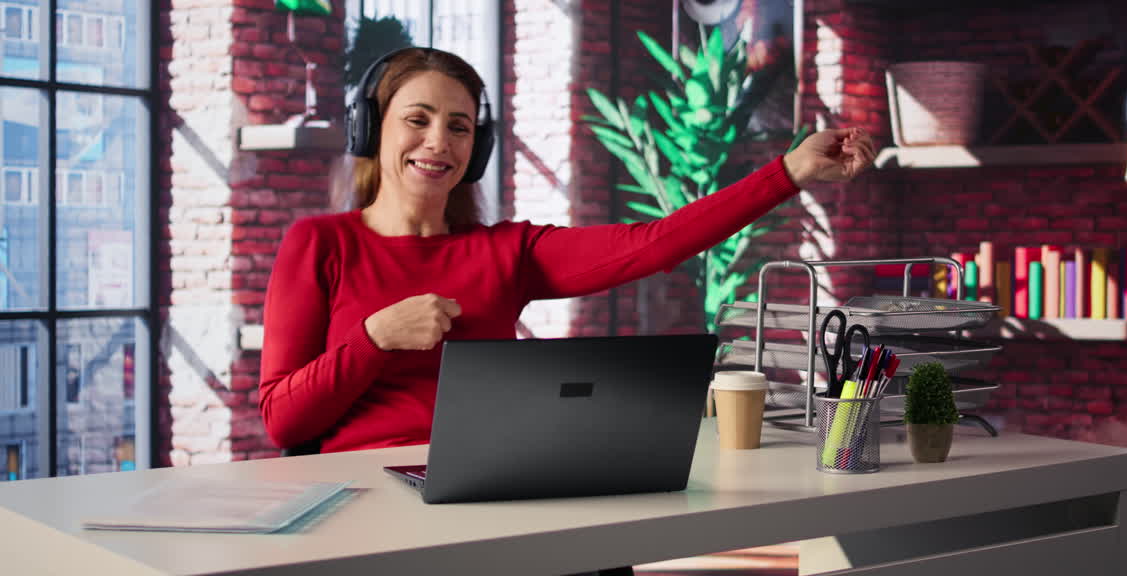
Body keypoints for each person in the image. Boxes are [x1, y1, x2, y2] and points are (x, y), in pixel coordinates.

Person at [259, 47, 877, 454]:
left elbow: (655, 244)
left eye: (459, 126)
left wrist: (790, 171)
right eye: (416, 120)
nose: (437, 141)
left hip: (488, 484)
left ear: (477, 148)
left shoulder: (508, 252)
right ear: (371, 128)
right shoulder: (320, 244)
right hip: (359, 496)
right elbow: (283, 421)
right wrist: (375, 339)